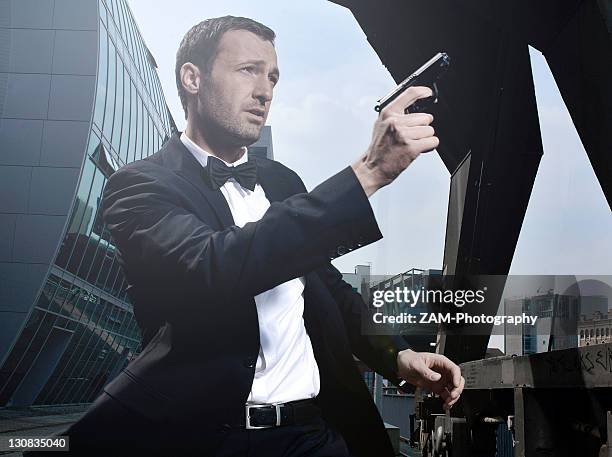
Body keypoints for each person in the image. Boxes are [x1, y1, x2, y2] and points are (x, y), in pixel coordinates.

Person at [26, 15, 464, 457]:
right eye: (248, 70)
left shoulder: (282, 182)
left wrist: (399, 358)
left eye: (272, 77)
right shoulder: (138, 186)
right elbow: (213, 267)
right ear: (193, 78)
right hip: (208, 440)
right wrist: (367, 173)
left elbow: (328, 289)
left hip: (316, 435)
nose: (265, 91)